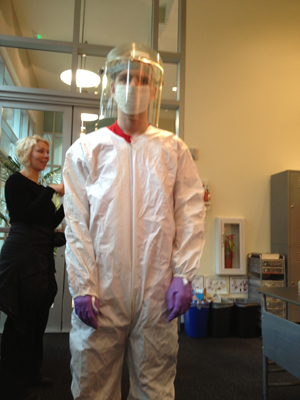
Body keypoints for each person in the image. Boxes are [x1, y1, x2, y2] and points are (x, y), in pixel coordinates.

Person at [63, 42, 206, 400]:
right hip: (101, 291)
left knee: (155, 386)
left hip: (157, 292)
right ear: (112, 86)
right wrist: (83, 285)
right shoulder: (86, 150)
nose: (134, 86)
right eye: (125, 78)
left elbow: (190, 214)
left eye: (143, 79)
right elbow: (76, 223)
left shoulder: (172, 149)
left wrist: (183, 275)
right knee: (93, 385)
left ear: (155, 89)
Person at [0, 135, 65, 400]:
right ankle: (11, 385)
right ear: (27, 153)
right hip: (22, 258)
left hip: (39, 257)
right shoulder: (16, 182)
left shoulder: (40, 189)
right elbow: (26, 216)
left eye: (48, 152)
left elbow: (48, 223)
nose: (46, 156)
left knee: (38, 320)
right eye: (41, 151)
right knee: (21, 322)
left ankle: (31, 374)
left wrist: (68, 201)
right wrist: (51, 190)